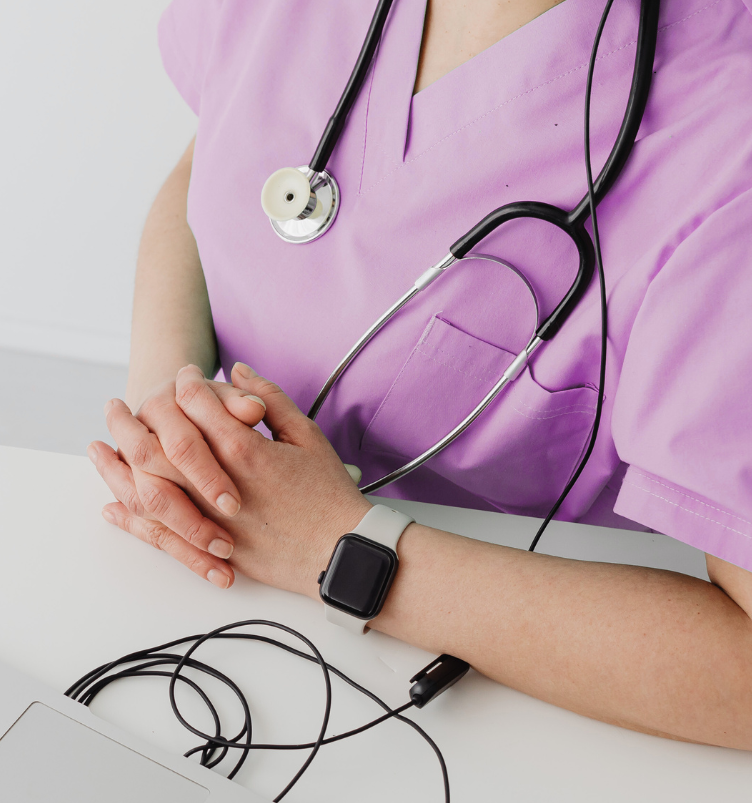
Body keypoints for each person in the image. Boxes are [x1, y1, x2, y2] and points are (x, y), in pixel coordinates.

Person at [87, 0, 752, 749]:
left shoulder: (728, 138)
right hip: (199, 600)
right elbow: (202, 170)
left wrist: (344, 551)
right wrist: (171, 411)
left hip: (503, 702)